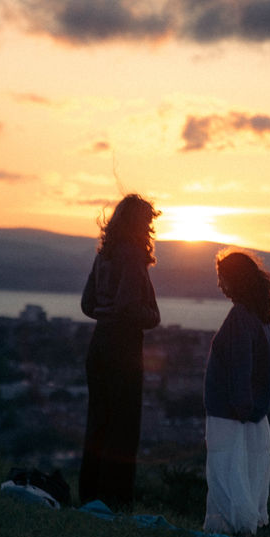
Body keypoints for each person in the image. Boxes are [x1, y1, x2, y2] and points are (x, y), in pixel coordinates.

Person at [79, 194, 161, 510]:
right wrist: (151, 316)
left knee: (98, 421)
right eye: (148, 222)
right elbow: (133, 308)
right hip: (123, 348)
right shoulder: (133, 256)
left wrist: (106, 309)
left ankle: (90, 494)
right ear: (139, 224)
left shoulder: (104, 256)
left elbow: (87, 304)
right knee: (125, 426)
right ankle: (115, 500)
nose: (150, 228)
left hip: (99, 345)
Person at [203, 249, 270, 537]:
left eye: (223, 279)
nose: (220, 286)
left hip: (230, 411)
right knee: (244, 469)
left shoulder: (240, 317)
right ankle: (235, 527)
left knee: (225, 470)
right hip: (251, 412)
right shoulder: (261, 315)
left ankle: (232, 528)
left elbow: (241, 365)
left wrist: (241, 406)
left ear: (236, 280)